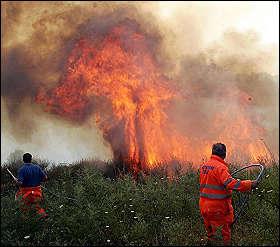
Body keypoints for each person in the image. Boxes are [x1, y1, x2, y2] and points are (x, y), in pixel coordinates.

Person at [199, 143, 258, 245]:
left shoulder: (204, 166)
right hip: (217, 209)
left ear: (212, 152)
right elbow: (230, 183)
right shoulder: (221, 167)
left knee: (211, 234)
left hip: (204, 207)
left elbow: (215, 182)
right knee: (223, 236)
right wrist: (249, 184)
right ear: (224, 154)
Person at [15, 153, 48, 219]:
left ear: (23, 160)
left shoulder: (22, 170)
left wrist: (16, 181)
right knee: (38, 207)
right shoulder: (37, 168)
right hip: (37, 193)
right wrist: (37, 181)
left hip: (26, 194)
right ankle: (44, 221)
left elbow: (20, 183)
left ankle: (27, 225)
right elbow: (45, 178)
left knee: (24, 210)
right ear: (31, 159)